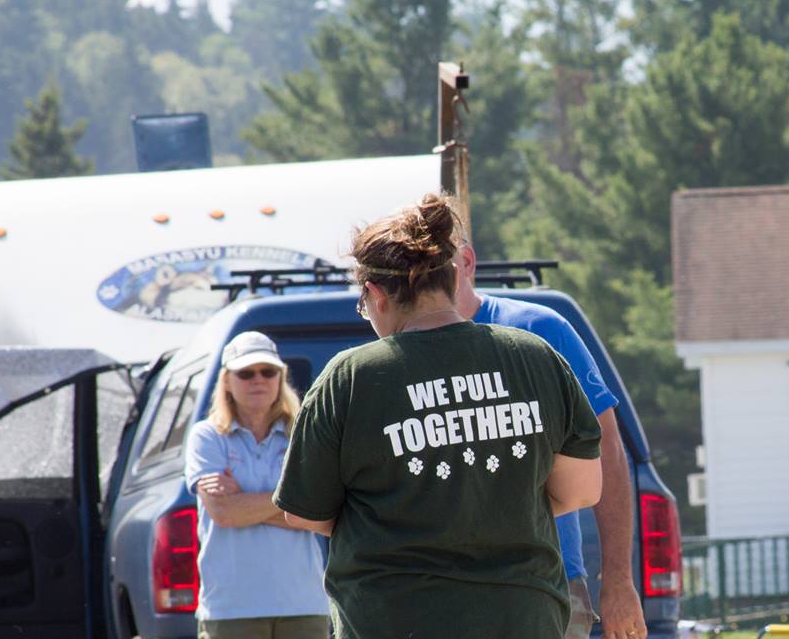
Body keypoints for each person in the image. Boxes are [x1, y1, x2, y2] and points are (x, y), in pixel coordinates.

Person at [274, 194, 603, 639]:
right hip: (524, 616)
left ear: (374, 294)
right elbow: (583, 490)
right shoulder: (534, 357)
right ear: (452, 276)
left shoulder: (350, 378)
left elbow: (306, 512)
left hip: (393, 618)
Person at [452, 235, 648, 639]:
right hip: (445, 590)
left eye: (435, 264)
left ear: (467, 261)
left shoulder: (540, 328)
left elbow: (606, 448)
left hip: (549, 581)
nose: (419, 281)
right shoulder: (394, 352)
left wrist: (617, 579)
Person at [184, 331, 329, 639]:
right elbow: (223, 513)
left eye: (268, 371)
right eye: (246, 373)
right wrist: (293, 504)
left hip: (304, 605)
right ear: (226, 380)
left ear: (281, 377)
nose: (258, 380)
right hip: (231, 608)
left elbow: (320, 515)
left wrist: (245, 502)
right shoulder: (206, 436)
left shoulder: (302, 433)